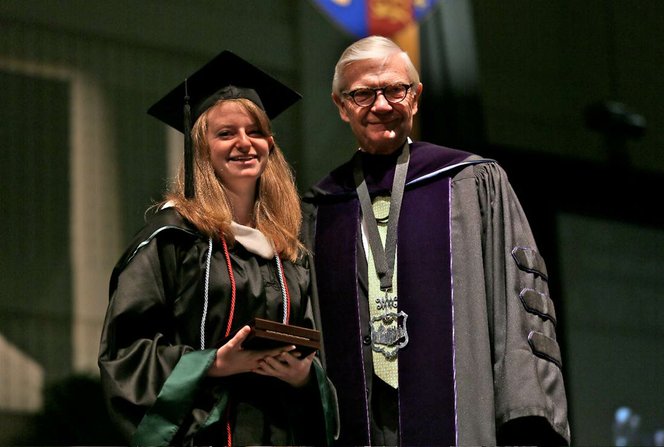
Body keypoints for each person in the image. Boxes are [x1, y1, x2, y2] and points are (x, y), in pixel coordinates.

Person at [302, 35, 570, 445]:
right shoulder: (320, 209)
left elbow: (517, 304)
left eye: (395, 89)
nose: (381, 105)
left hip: (462, 417)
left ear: (416, 97)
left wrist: (523, 419)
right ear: (341, 105)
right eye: (362, 94)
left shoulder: (471, 182)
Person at [98, 50, 337, 446]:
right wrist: (211, 364)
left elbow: (314, 353)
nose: (244, 143)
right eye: (226, 133)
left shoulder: (287, 251)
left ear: (270, 144)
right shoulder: (173, 239)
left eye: (255, 132)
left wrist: (302, 376)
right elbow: (125, 352)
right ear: (201, 148)